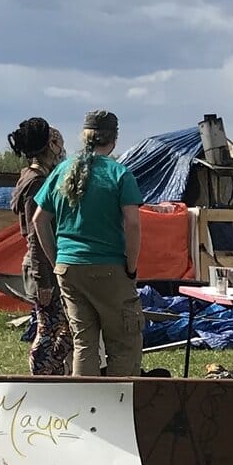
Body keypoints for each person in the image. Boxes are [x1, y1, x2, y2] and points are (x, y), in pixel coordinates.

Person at [32, 109, 146, 378]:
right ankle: (119, 401)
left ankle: (86, 401)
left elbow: (39, 220)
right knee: (124, 342)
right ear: (114, 139)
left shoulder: (61, 171)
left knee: (84, 342)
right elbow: (132, 223)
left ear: (84, 137)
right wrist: (131, 267)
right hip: (109, 267)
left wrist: (56, 260)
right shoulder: (119, 174)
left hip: (68, 268)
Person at [6, 117, 72, 376]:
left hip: (44, 264)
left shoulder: (34, 177)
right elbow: (36, 235)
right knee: (51, 329)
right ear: (49, 146)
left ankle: (53, 373)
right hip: (43, 266)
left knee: (59, 327)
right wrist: (43, 279)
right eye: (56, 141)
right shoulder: (37, 183)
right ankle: (42, 375)